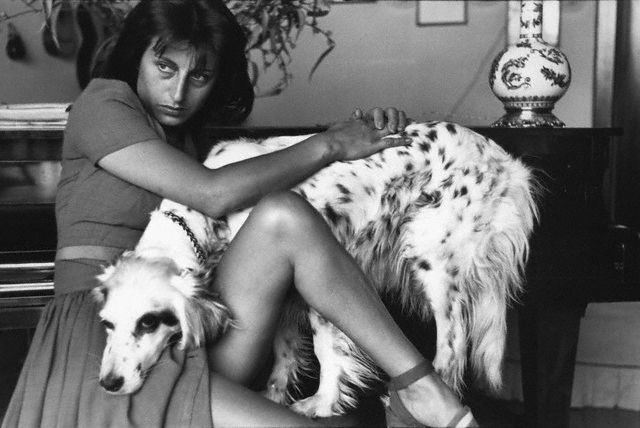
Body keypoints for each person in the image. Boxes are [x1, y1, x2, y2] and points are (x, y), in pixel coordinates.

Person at [2, 0, 478, 427]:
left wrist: (366, 137)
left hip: (186, 331)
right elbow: (212, 194)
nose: (178, 92)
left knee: (282, 216)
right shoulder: (102, 103)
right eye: (164, 67)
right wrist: (331, 144)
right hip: (99, 334)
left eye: (199, 77)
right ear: (135, 57)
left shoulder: (188, 140)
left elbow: (256, 180)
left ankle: (418, 386)